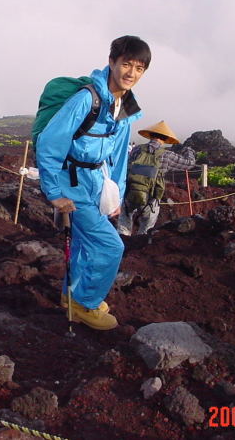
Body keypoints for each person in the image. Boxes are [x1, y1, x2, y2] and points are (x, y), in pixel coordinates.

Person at [36, 35, 151, 330]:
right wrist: (54, 192)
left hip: (97, 185)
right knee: (111, 247)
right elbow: (50, 143)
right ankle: (86, 305)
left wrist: (116, 196)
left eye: (139, 68)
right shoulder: (87, 98)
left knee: (84, 246)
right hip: (72, 186)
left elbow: (119, 158)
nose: (131, 73)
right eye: (127, 64)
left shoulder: (125, 107)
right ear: (112, 62)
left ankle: (72, 296)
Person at [116, 120, 195, 239]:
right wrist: (188, 150)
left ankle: (121, 247)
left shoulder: (137, 149)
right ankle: (138, 249)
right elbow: (189, 163)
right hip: (151, 198)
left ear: (151, 135)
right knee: (146, 228)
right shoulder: (167, 155)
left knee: (124, 224)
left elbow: (126, 167)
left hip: (130, 193)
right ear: (165, 139)